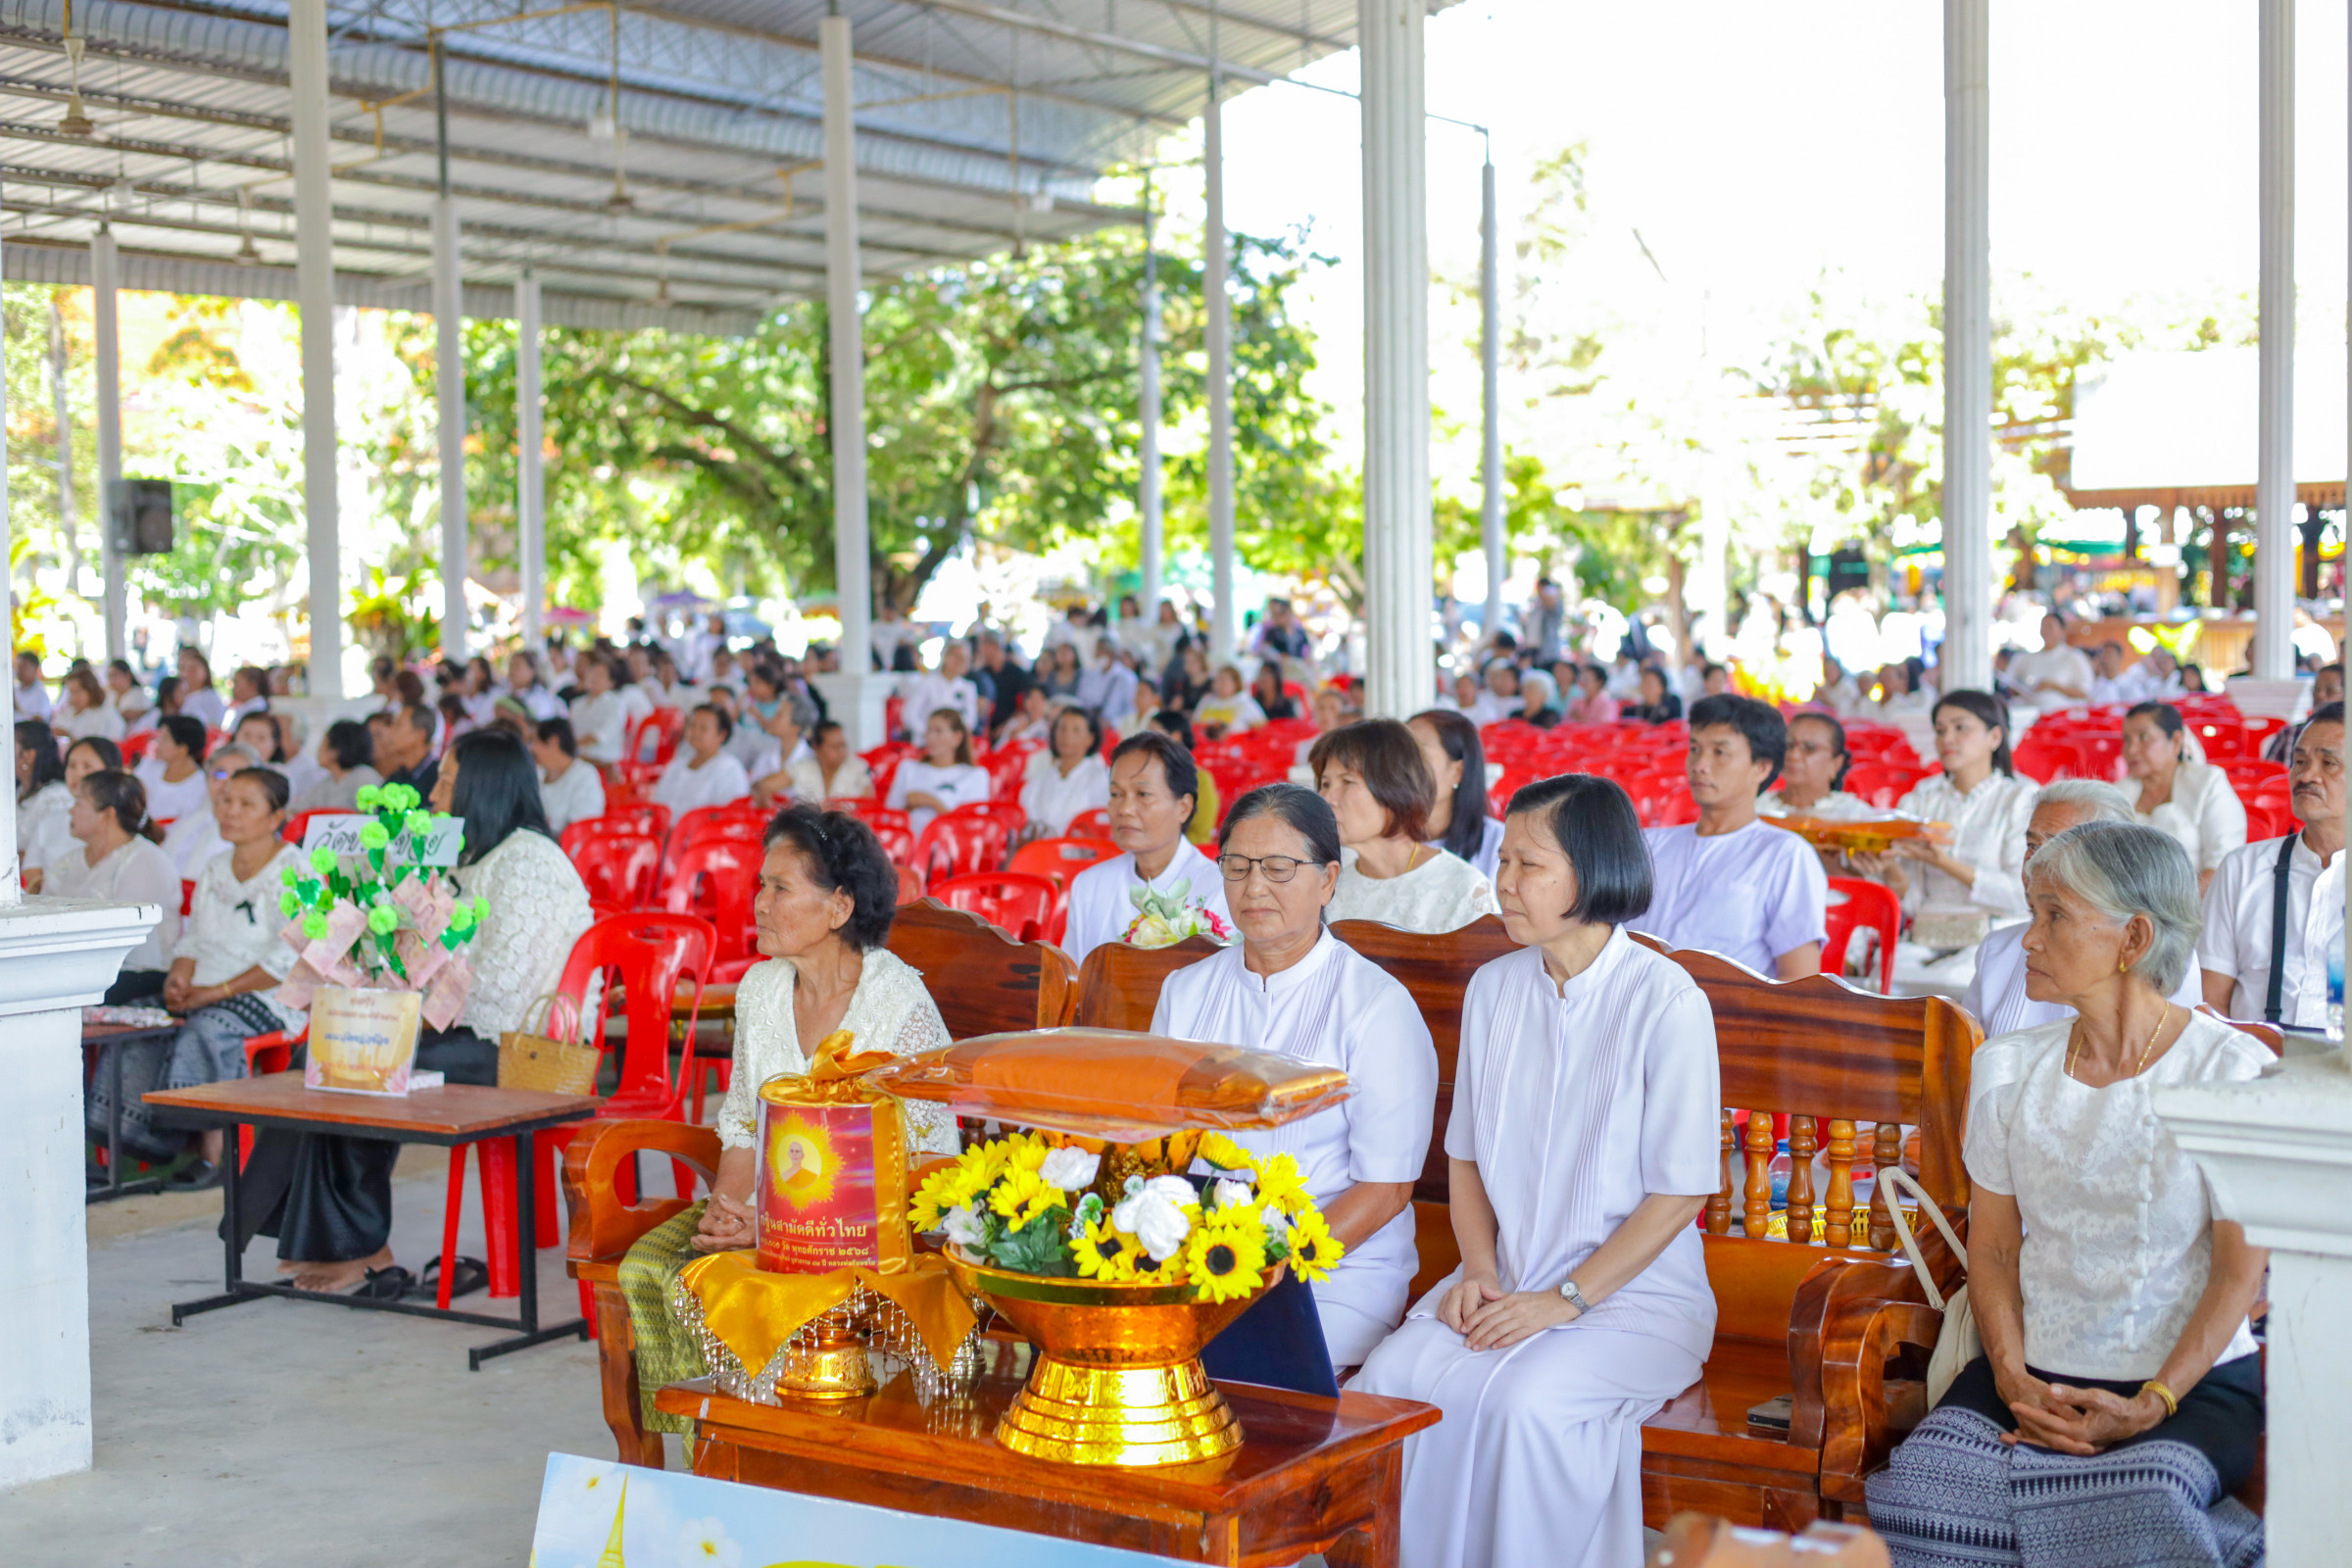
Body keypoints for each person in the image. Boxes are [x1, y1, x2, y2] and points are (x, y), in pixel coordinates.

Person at [1865, 822, 2269, 1568]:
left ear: (2134, 936)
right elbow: (1990, 1248)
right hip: (2035, 1367)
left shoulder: (2228, 1074)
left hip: (2188, 1384)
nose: (2028, 940)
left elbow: (2238, 1274)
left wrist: (2151, 1403)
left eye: (2053, 914)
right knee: (1924, 1492)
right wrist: (2013, 1376)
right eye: (2032, 911)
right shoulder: (2012, 1068)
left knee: (2142, 1502)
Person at [1351, 772, 1723, 1568]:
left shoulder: (1666, 1000)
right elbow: (1467, 1155)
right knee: (1390, 1381)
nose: (1504, 883)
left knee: (1525, 1404)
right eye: (1504, 861)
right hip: (1507, 1281)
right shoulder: (1495, 987)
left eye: (1529, 866)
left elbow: (1680, 1191)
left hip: (1636, 1301)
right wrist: (1480, 1274)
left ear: (1588, 873)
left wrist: (1564, 1300)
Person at [616, 806, 958, 1432]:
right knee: (650, 1267)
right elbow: (745, 1123)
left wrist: (769, 1229)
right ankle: (708, 1453)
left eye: (780, 888)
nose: (759, 904)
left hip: (865, 1233)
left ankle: (764, 1449)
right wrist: (728, 1207)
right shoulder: (760, 988)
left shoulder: (897, 1003)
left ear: (839, 907)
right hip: (766, 1211)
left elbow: (931, 1162)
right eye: (761, 885)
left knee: (721, 1288)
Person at [235, 731, 595, 1296]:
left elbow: (502, 993)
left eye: (448, 782)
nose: (433, 795)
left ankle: (356, 1249)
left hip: (524, 1050)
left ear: (485, 787)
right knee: (332, 1051)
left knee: (363, 1060)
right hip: (471, 1034)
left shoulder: (529, 861)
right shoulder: (475, 856)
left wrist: (399, 1018)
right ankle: (326, 1239)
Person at [1152, 784, 1437, 1368]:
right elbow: (1161, 1142)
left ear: (1328, 880)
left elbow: (1385, 1189)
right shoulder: (1185, 992)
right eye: (1237, 866)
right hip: (1196, 1254)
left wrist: (1268, 1264)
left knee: (1225, 1367)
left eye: (1280, 869)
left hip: (1330, 1268)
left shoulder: (1375, 1006)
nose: (1255, 887)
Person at [145, 767, 308, 1189]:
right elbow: (195, 938)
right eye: (226, 800)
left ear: (276, 818)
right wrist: (179, 981)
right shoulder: (216, 866)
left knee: (210, 1027)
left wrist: (212, 994)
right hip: (207, 987)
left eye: (246, 804)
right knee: (141, 1020)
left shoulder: (296, 871)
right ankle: (144, 1141)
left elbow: (288, 957)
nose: (230, 811)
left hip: (272, 995)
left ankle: (217, 1155)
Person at [1964, 781, 2203, 1038]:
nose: (2035, 862)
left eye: (2060, 847)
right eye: (2032, 845)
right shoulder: (1998, 950)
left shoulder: (2158, 955)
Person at [1639, 694, 1828, 979]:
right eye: (1695, 748)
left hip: (1725, 1020)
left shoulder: (1784, 855)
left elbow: (1798, 982)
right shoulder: (1649, 845)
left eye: (1720, 752)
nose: (1699, 764)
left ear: (1761, 768)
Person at [2198, 701, 2343, 1026]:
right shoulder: (2241, 869)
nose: (2307, 775)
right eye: (2300, 761)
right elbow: (2212, 1001)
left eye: (2329, 763)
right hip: (2253, 1066)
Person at [1864, 691, 2038, 931]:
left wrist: (1944, 862)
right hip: (1927, 936)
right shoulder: (1921, 798)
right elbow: (1910, 902)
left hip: (1995, 936)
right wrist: (1890, 868)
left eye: (1960, 728)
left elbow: (2023, 896)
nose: (1947, 739)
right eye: (1940, 730)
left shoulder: (2020, 798)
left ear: (1995, 737)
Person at [1062, 731, 1232, 964]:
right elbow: (1072, 988)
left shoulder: (1219, 890)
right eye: (1116, 794)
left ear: (1183, 808)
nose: (1125, 809)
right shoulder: (1089, 885)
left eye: (1143, 794)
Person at [1313, 719, 1498, 934]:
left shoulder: (1462, 888)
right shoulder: (1330, 883)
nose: (1327, 798)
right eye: (1325, 784)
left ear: (1394, 788)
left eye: (1347, 782)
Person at [51, 770, 181, 1002]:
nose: (71, 811)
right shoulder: (69, 862)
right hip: (79, 968)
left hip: (139, 974)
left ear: (106, 815)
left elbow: (127, 943)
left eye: (79, 803)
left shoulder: (145, 862)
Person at [2121, 702, 2245, 896]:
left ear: (2176, 742)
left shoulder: (2207, 784)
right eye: (2127, 740)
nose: (2132, 750)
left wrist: (2172, 911)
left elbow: (2222, 863)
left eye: (2144, 738)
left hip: (2195, 908)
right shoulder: (2119, 791)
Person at [1409, 710, 1504, 882]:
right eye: (1397, 754)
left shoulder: (1499, 844)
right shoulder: (1379, 840)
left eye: (1418, 755)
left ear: (1457, 772)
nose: (1401, 766)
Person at [161, 741, 261, 876]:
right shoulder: (191, 820)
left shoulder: (255, 835)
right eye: (220, 774)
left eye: (238, 775)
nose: (227, 783)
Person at [886, 710, 990, 835]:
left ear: (957, 738)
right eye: (929, 730)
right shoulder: (908, 768)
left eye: (938, 731)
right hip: (907, 844)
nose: (931, 737)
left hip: (949, 848)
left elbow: (973, 827)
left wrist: (933, 803)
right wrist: (910, 806)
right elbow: (889, 817)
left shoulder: (975, 775)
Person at [1763, 711, 1877, 821]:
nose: (1793, 755)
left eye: (1809, 748)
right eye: (1789, 744)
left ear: (1836, 763)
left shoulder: (1854, 815)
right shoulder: (1759, 809)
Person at [1019, 706, 1110, 838]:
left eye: (1076, 730)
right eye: (1062, 728)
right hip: (1040, 852)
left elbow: (1102, 826)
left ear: (1090, 739)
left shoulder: (1099, 778)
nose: (1067, 735)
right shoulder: (1041, 777)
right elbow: (1026, 820)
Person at [650, 704, 753, 815]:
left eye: (703, 728)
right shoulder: (677, 764)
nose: (695, 732)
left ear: (721, 735)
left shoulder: (730, 769)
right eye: (692, 725)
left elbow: (727, 816)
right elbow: (657, 804)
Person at [531, 716, 607, 835]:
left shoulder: (584, 775)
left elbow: (582, 827)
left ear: (553, 742)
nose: (532, 748)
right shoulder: (537, 773)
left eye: (535, 742)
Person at [134, 714, 213, 822]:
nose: (158, 743)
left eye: (165, 739)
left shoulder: (201, 786)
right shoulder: (147, 767)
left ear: (183, 749)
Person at [292, 720, 381, 814]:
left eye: (323, 743)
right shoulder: (326, 783)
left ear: (335, 751)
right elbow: (297, 811)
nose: (318, 750)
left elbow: (369, 814)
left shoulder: (364, 776)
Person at [902, 641, 982, 741]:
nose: (961, 662)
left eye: (965, 659)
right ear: (946, 657)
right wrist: (930, 734)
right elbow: (910, 716)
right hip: (926, 742)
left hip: (954, 744)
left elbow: (970, 721)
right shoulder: (926, 683)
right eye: (957, 657)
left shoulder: (968, 687)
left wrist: (951, 737)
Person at [2007, 612, 2094, 704]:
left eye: (2050, 627)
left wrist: (2053, 687)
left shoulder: (2074, 657)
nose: (2045, 631)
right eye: (2043, 627)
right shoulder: (2027, 658)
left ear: (2062, 631)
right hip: (2029, 712)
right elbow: (2012, 686)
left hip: (2062, 714)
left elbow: (2085, 692)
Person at [566, 651, 632, 765]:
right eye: (591, 673)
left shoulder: (616, 703)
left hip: (604, 761)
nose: (593, 678)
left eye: (600, 675)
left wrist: (570, 744)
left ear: (611, 682)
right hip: (578, 758)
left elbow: (601, 736)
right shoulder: (577, 704)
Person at [789, 720, 871, 805]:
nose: (841, 751)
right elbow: (774, 784)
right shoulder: (803, 767)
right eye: (835, 747)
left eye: (844, 745)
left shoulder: (858, 768)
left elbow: (868, 806)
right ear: (816, 747)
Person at [375, 704, 441, 802]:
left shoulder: (439, 777)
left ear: (419, 734)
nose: (390, 731)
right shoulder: (395, 778)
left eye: (398, 725)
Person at [1194, 665, 1267, 738]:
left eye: (1223, 680)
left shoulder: (1244, 701)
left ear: (1235, 683)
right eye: (1217, 680)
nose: (1219, 684)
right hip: (1205, 745)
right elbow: (1195, 723)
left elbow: (1261, 727)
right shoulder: (1207, 700)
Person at [53, 667, 122, 742]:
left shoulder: (108, 715)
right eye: (71, 693)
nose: (73, 698)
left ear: (90, 690)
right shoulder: (68, 712)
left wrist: (70, 737)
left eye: (77, 692)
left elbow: (111, 746)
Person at [504, 652, 564, 722]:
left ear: (531, 671)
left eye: (517, 666)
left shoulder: (540, 699)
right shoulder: (503, 695)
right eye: (510, 666)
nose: (512, 671)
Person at [174, 647, 225, 730]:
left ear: (205, 672)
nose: (188, 674)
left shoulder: (211, 697)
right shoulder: (179, 696)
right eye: (185, 669)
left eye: (193, 670)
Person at [13, 650, 51, 721]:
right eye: (18, 667)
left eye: (24, 667)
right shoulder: (16, 689)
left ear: (35, 668)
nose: (19, 671)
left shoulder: (40, 694)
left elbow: (39, 721)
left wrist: (17, 708)